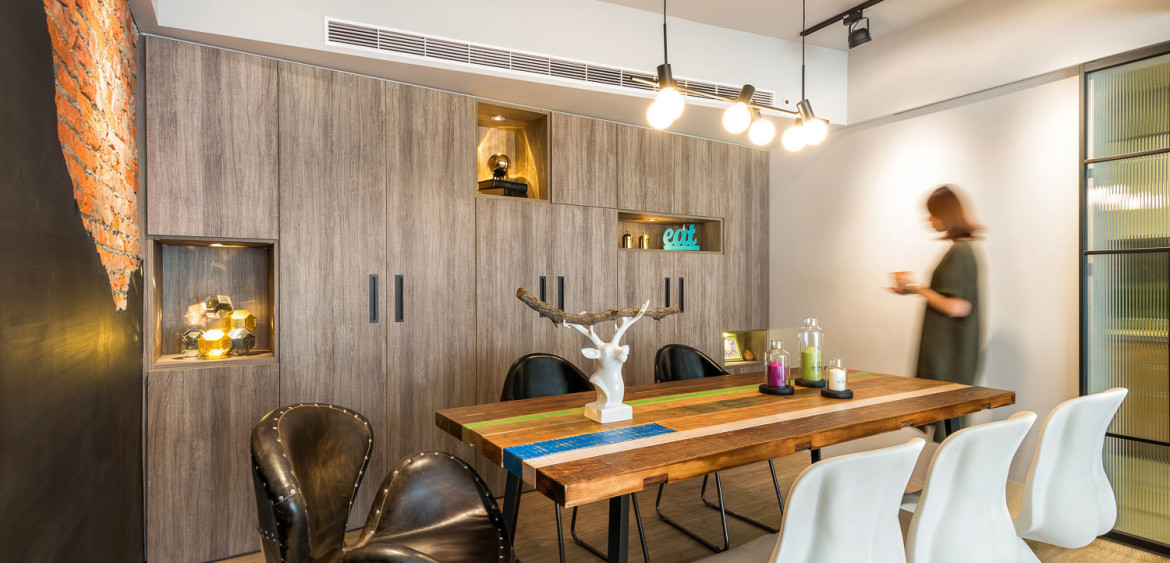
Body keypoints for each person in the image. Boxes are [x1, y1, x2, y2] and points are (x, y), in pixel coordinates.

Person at [890, 185, 982, 441]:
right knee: (950, 432)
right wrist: (914, 290)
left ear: (946, 214)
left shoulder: (960, 252)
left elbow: (958, 306)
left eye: (933, 213)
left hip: (950, 357)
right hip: (949, 355)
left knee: (951, 432)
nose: (929, 220)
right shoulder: (962, 250)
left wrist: (917, 287)